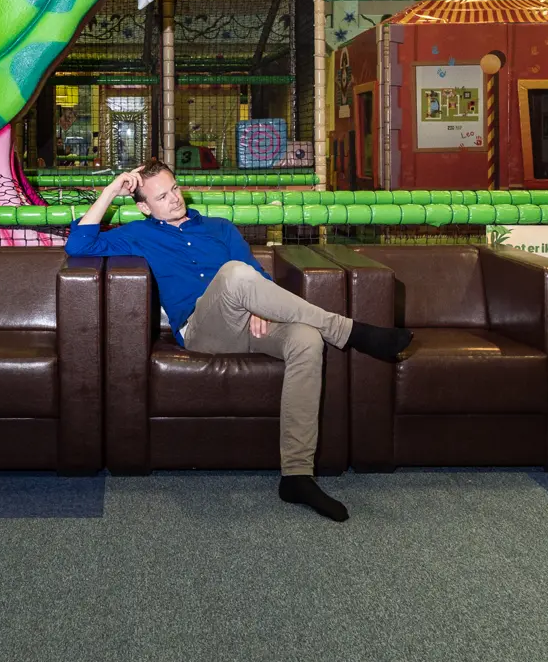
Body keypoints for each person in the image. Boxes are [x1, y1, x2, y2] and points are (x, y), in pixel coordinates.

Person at [65, 160, 413, 522]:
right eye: (162, 196)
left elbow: (257, 277)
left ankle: (296, 476)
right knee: (232, 273)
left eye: (176, 189)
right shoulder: (138, 233)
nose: (174, 199)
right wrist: (111, 189)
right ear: (143, 206)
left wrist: (262, 306)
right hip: (201, 330)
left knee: (307, 339)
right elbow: (79, 244)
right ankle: (352, 332)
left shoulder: (220, 228)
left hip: (249, 324)